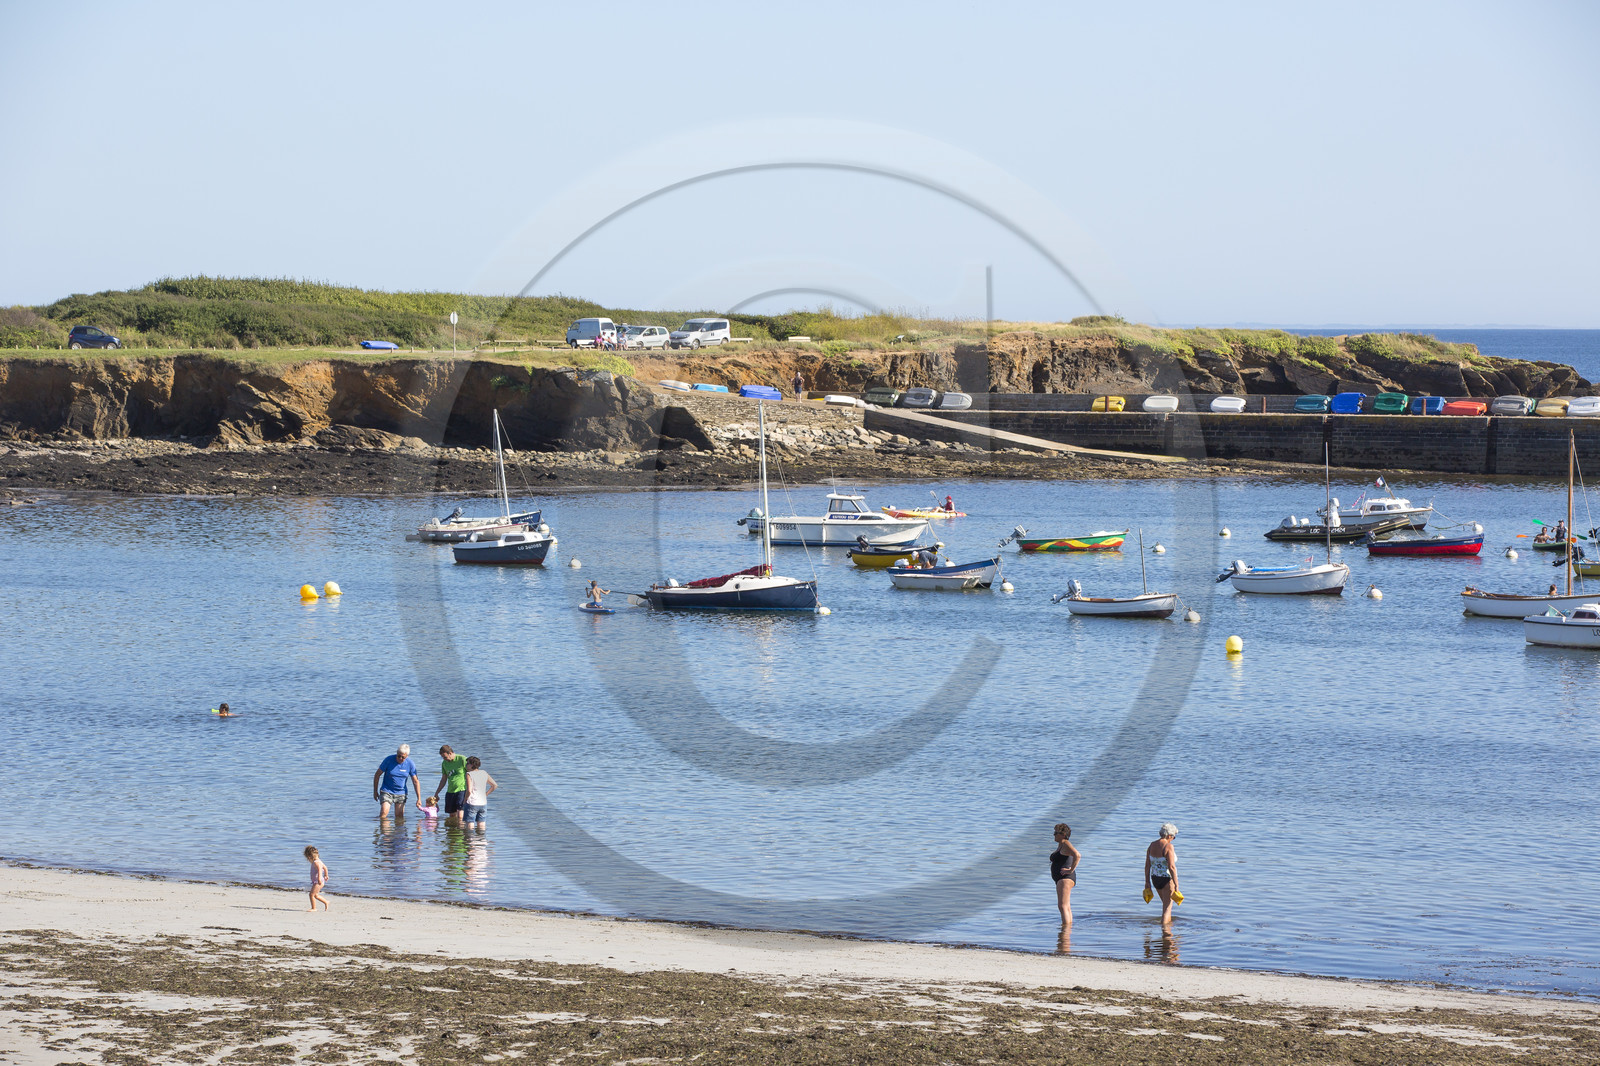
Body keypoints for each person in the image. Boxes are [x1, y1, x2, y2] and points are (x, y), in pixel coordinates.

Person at [1144, 822, 1181, 928]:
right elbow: (1172, 867)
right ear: (1169, 835)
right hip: (1166, 880)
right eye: (1173, 837)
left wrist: (1147, 882)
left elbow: (1147, 865)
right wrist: (1176, 885)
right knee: (1167, 909)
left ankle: (1167, 929)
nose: (1173, 839)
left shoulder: (1151, 845)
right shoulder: (1168, 846)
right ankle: (1167, 935)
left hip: (1155, 879)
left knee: (1166, 906)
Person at [373, 743, 422, 819]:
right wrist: (375, 791)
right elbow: (377, 775)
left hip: (401, 793)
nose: (400, 758)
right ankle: (384, 830)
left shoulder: (410, 764)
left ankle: (398, 831)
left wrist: (419, 798)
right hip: (387, 790)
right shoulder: (388, 760)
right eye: (398, 756)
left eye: (403, 757)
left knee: (399, 817)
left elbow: (415, 781)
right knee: (383, 813)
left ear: (407, 756)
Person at [1050, 823, 1081, 924]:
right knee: (1065, 906)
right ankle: (1067, 928)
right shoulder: (1061, 845)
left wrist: (1071, 870)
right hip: (1062, 879)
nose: (1054, 835)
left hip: (1065, 878)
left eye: (1056, 833)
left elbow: (1077, 855)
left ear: (1063, 834)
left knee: (1062, 906)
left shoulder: (1066, 843)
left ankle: (1065, 930)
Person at [432, 745, 468, 824]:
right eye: (442, 757)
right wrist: (437, 793)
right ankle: (453, 833)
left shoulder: (462, 759)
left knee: (460, 815)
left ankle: (461, 833)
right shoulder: (444, 763)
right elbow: (444, 779)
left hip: (462, 789)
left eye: (445, 757)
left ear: (450, 753)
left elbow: (471, 773)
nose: (444, 759)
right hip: (450, 791)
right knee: (451, 815)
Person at [463, 756, 497, 830]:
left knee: (470, 823)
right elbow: (494, 785)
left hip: (472, 802)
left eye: (467, 763)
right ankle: (481, 840)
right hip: (483, 803)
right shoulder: (484, 773)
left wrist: (465, 800)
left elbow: (469, 790)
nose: (466, 765)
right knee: (481, 824)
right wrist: (486, 794)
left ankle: (470, 839)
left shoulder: (469, 774)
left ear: (472, 765)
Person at [304, 846, 329, 911]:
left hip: (318, 882)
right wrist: (326, 875)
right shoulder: (319, 861)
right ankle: (326, 902)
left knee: (311, 894)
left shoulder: (316, 862)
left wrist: (319, 879)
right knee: (316, 895)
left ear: (309, 857)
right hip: (318, 881)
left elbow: (319, 870)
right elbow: (325, 868)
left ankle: (314, 908)